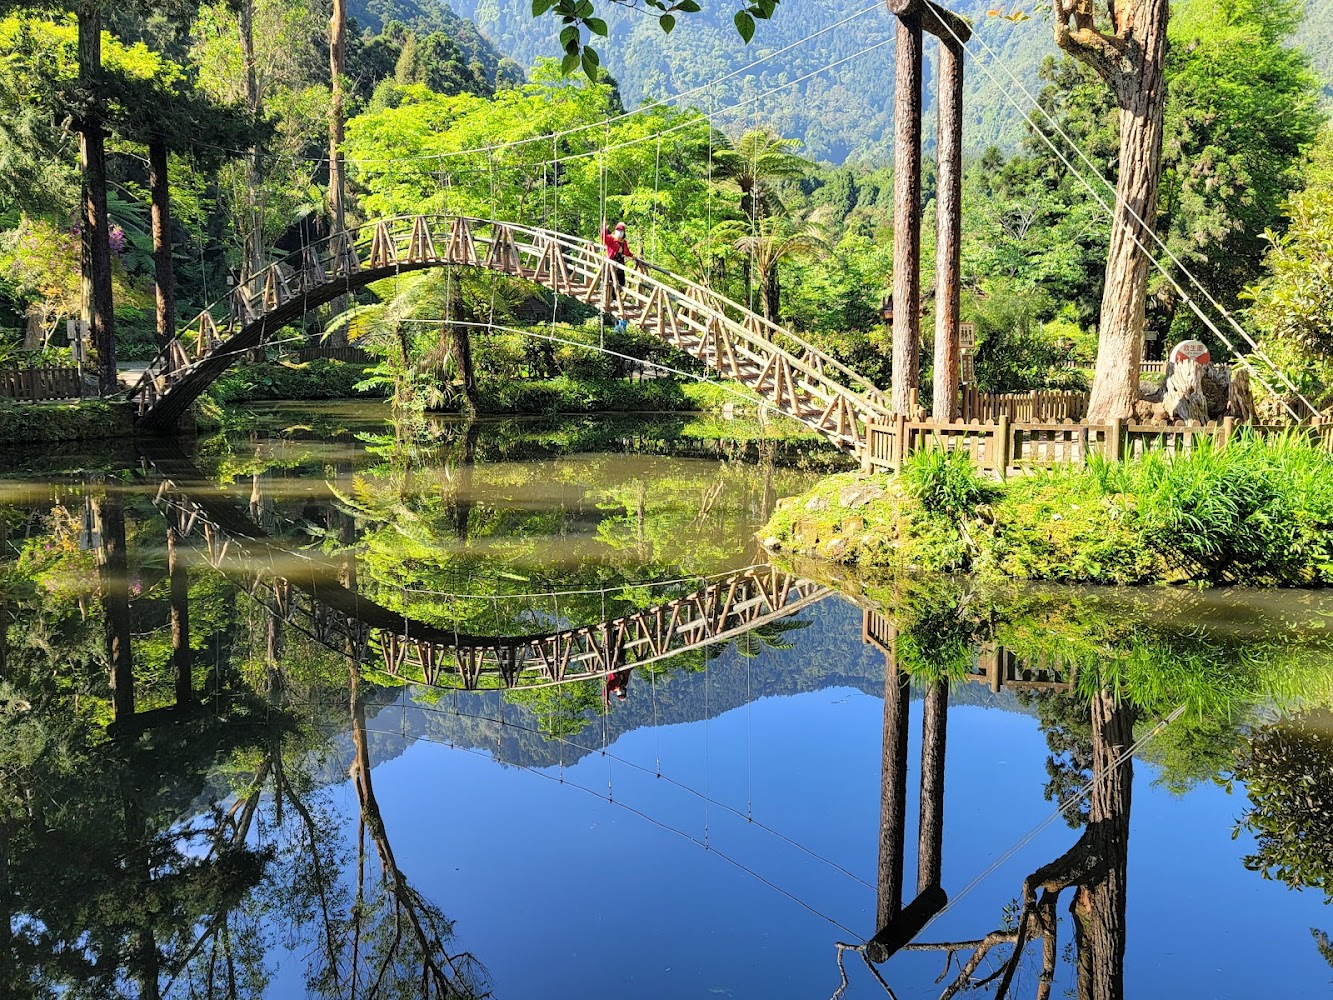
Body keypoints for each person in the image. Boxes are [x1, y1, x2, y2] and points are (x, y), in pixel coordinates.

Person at [601, 221, 635, 333]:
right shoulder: (611, 239)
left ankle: (617, 301)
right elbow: (603, 238)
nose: (620, 232)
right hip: (611, 265)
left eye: (621, 231)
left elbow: (627, 252)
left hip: (620, 265)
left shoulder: (624, 243)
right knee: (611, 283)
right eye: (618, 230)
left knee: (621, 283)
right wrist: (604, 228)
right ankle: (612, 300)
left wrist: (632, 256)